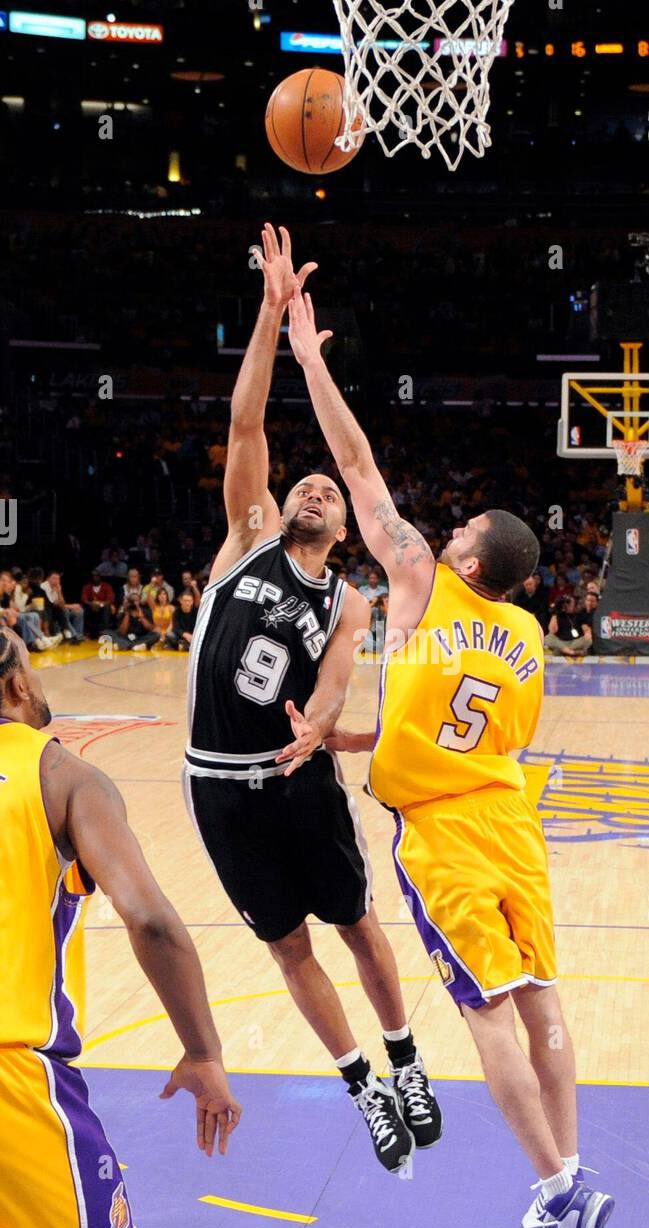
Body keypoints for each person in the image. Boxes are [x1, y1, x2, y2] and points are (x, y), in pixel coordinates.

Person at [289, 281, 614, 1228]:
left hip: (444, 839)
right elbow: (484, 736)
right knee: (541, 998)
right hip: (513, 826)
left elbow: (355, 461)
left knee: (481, 1014)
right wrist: (367, 740)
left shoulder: (422, 577)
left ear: (466, 555)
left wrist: (309, 355)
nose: (446, 525)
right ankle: (569, 1171)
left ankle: (557, 1186)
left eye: (460, 524)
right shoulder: (524, 633)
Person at [183, 226, 442, 1176]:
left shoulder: (351, 598)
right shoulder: (245, 539)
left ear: (341, 526)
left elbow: (335, 680)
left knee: (359, 926)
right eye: (307, 483)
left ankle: (409, 1065)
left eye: (327, 489)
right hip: (218, 785)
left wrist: (324, 725)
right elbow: (248, 424)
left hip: (298, 780)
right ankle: (363, 1087)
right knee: (291, 949)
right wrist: (265, 318)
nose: (314, 487)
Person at [0, 627, 241, 1228]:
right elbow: (153, 921)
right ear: (19, 685)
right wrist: (203, 1052)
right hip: (12, 1075)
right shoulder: (61, 775)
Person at [44, 570, 84, 644]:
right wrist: (72, 606)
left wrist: (59, 591)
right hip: (50, 612)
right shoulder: (44, 587)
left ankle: (79, 635)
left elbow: (62, 603)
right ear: (48, 579)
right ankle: (74, 636)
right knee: (64, 611)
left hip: (60, 609)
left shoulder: (56, 587)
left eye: (58, 579)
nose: (56, 581)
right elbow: (53, 605)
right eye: (54, 578)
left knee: (79, 611)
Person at [81, 571, 116, 640]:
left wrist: (100, 604)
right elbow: (84, 599)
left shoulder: (106, 586)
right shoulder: (87, 587)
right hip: (91, 607)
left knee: (107, 607)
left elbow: (110, 599)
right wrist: (92, 604)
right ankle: (87, 633)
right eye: (93, 576)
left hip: (103, 607)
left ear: (100, 577)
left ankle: (103, 633)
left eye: (97, 576)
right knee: (84, 607)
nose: (95, 578)